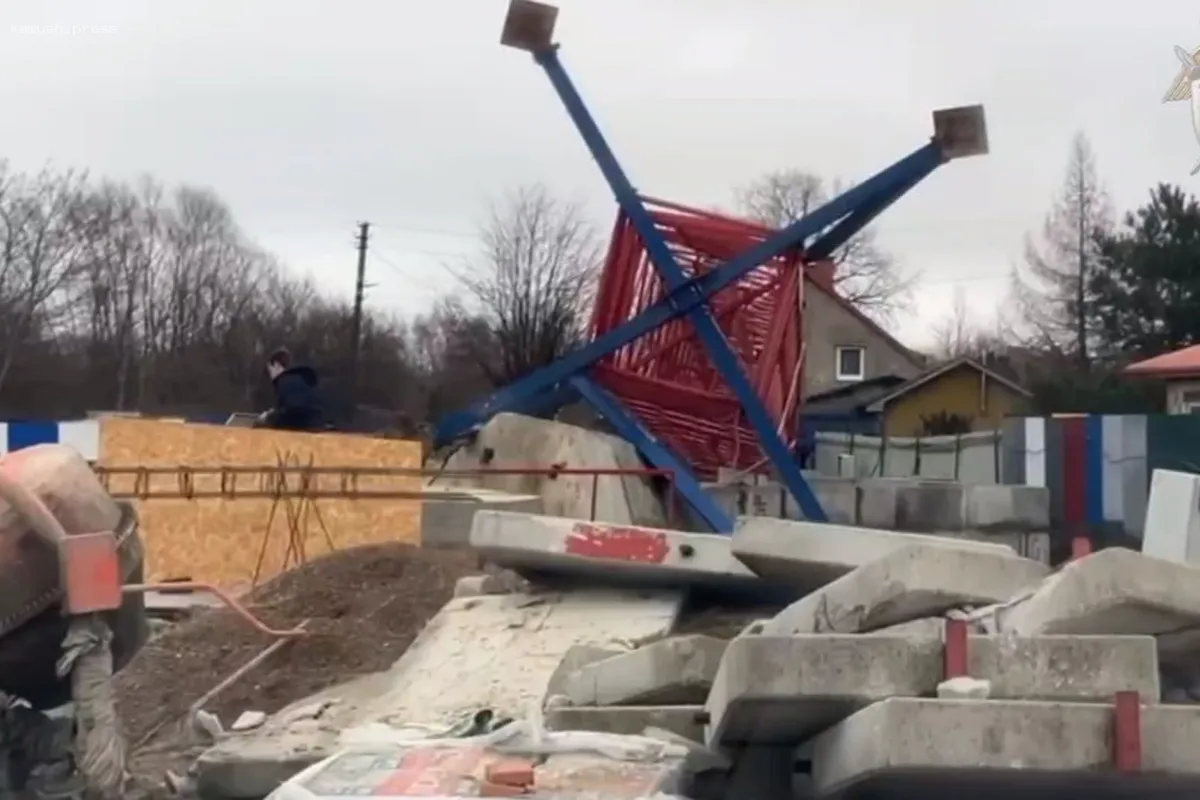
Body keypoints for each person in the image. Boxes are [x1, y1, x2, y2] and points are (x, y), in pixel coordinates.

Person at [257, 347, 324, 431]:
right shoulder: (303, 380)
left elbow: (293, 412)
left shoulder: (285, 382)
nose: (271, 376)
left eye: (270, 371)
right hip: (318, 429)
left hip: (304, 431)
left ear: (276, 365)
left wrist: (269, 417)